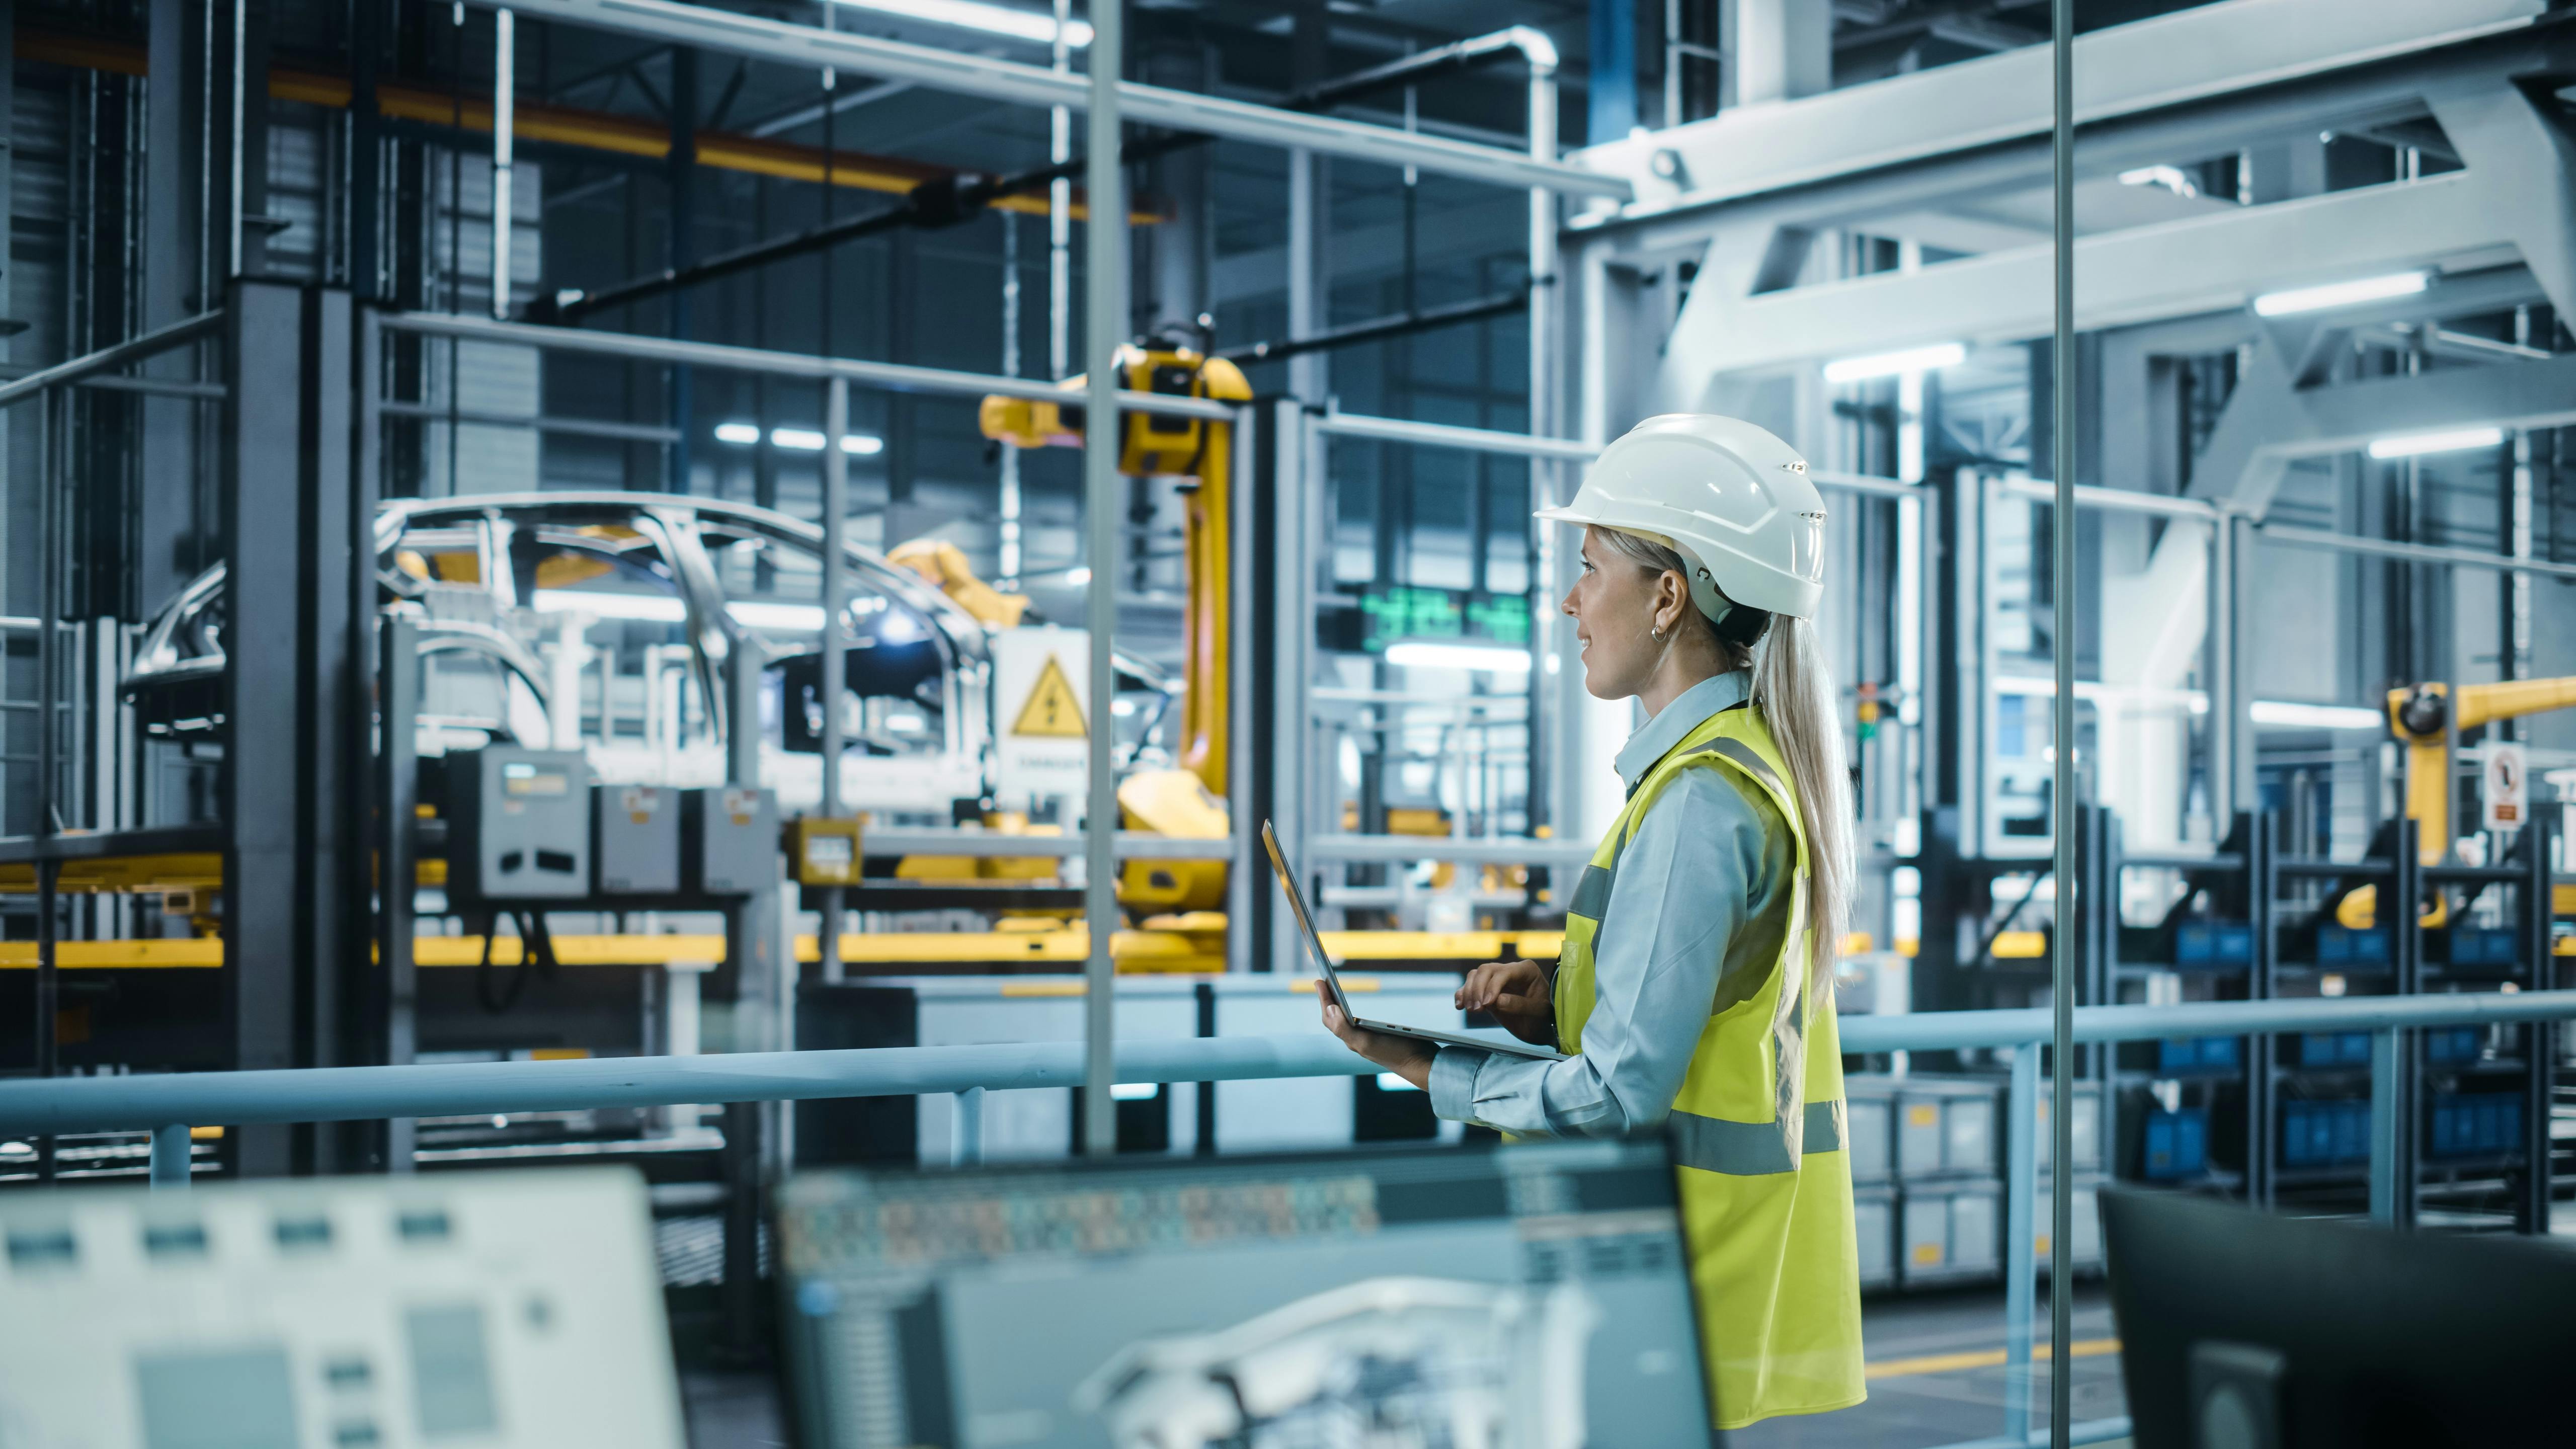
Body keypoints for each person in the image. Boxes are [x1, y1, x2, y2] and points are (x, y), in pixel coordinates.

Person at [1321, 414, 1865, 1430]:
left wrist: (1427, 1068)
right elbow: (1701, 1021)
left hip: (1676, 1274)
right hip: (1719, 1271)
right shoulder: (1743, 768)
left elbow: (1619, 1096)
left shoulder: (1700, 800)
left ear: (1667, 596)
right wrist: (1566, 999)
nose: (1568, 601)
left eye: (1587, 568)